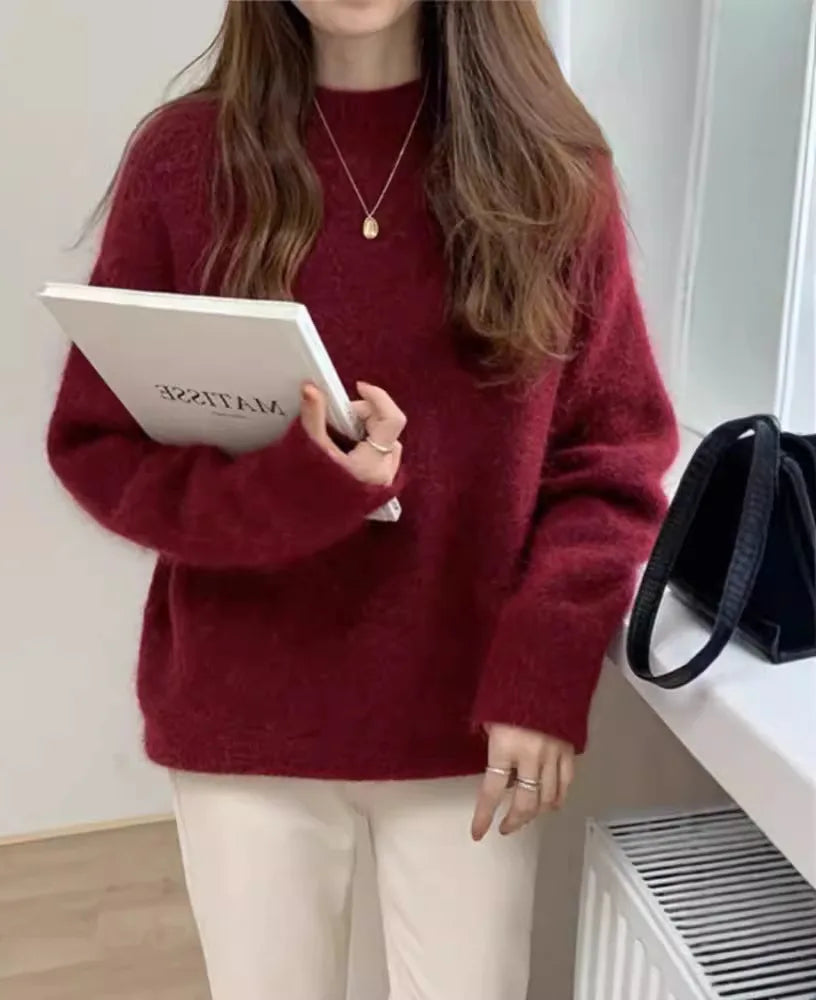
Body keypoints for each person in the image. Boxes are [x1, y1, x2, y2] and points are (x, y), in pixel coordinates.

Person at [46, 2, 678, 997]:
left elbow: (610, 459)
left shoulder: (552, 169)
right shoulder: (184, 162)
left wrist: (543, 667)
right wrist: (301, 489)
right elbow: (98, 447)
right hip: (243, 719)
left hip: (469, 728)